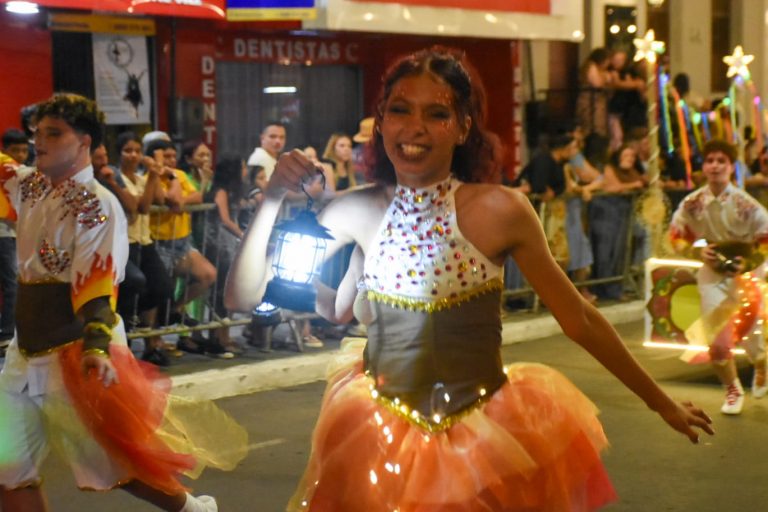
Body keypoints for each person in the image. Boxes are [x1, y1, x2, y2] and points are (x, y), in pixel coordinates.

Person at [226, 47, 712, 511]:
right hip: (374, 435)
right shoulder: (355, 208)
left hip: (485, 442)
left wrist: (660, 402)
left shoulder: (502, 210)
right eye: (400, 110)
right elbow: (243, 296)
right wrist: (272, 199)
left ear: (463, 127)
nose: (414, 128)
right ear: (382, 121)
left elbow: (579, 319)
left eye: (437, 114)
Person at [0, 93, 246, 512]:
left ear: (84, 142)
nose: (39, 141)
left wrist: (96, 347)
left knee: (118, 465)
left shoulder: (97, 205)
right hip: (24, 355)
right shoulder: (28, 185)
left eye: (53, 133)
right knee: (7, 466)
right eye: (37, 133)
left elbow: (97, 284)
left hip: (77, 355)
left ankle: (194, 510)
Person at [669, 139, 768, 415]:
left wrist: (749, 262)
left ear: (731, 166)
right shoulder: (693, 203)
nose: (715, 166)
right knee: (718, 342)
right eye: (710, 160)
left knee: (753, 337)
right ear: (703, 167)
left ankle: (761, 366)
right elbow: (676, 235)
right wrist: (696, 252)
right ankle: (733, 389)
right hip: (712, 275)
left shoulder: (745, 204)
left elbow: (765, 238)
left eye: (721, 161)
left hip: (747, 275)